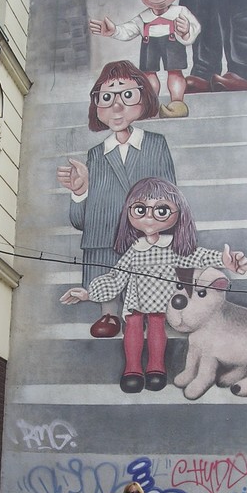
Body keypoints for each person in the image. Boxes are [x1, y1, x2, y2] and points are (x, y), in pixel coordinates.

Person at [61, 177, 247, 392]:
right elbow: (116, 277)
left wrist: (223, 260)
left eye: (161, 211)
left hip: (162, 302)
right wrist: (89, 293)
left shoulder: (173, 248)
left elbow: (198, 255)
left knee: (157, 328)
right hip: (136, 301)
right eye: (140, 210)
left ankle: (156, 369)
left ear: (178, 214)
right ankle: (132, 369)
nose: (149, 217)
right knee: (133, 327)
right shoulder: (135, 249)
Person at [56, 60, 176, 339]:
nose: (117, 106)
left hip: (143, 233)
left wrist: (161, 224)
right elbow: (81, 221)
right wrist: (79, 191)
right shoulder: (95, 155)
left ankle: (144, 310)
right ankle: (108, 311)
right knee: (101, 248)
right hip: (104, 237)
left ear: (143, 97)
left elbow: (170, 194)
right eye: (107, 97)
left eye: (127, 95)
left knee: (146, 260)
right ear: (97, 105)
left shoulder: (155, 144)